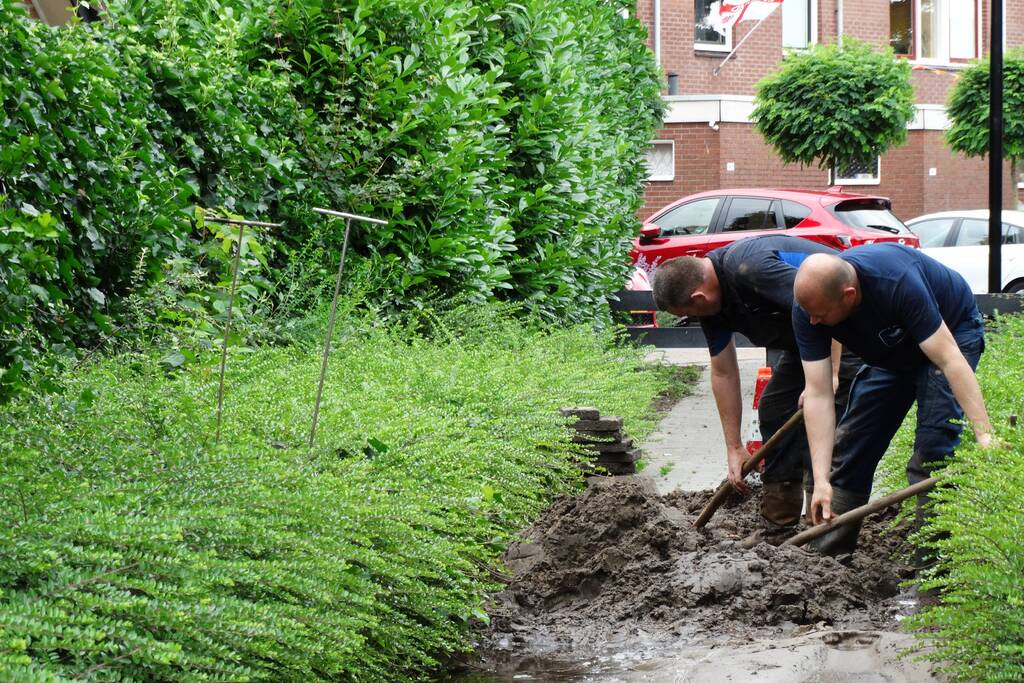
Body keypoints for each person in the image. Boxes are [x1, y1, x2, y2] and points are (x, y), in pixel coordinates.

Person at [652, 235, 860, 545]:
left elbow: (826, 303)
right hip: (805, 344)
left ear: (698, 298)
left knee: (825, 418)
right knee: (775, 408)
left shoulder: (749, 270)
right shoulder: (713, 306)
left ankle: (823, 523)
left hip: (847, 331)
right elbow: (723, 371)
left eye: (690, 313)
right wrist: (734, 447)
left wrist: (828, 379)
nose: (694, 318)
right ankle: (780, 523)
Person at [792, 244, 994, 557]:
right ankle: (828, 560)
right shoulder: (809, 307)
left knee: (932, 453)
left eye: (821, 315)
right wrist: (820, 482)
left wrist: (984, 434)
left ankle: (930, 574)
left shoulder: (896, 282)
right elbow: (818, 393)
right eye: (810, 314)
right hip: (891, 353)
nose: (814, 322)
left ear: (849, 294)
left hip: (951, 333)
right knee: (852, 447)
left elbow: (950, 359)